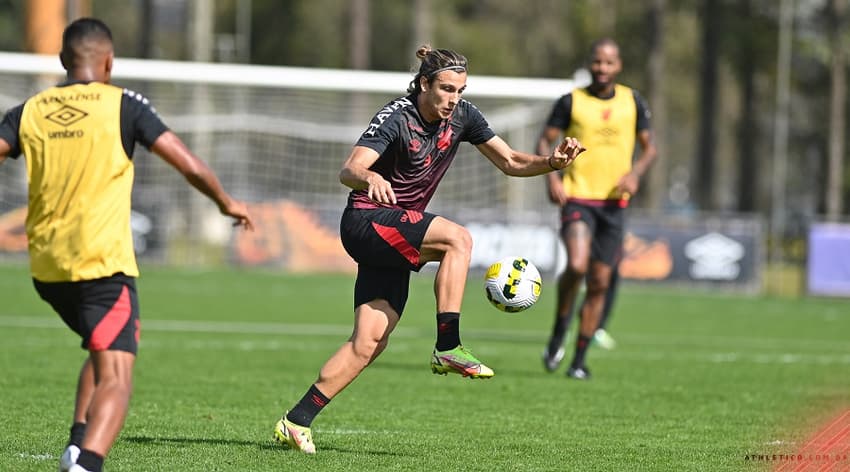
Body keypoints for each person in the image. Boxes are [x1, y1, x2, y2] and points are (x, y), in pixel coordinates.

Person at [273, 45, 586, 454]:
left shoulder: (464, 117)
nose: (453, 99)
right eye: (446, 89)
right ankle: (448, 345)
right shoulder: (396, 116)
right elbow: (349, 168)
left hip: (393, 234)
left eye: (460, 90)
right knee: (459, 239)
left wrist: (551, 162)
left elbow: (509, 161)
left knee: (368, 342)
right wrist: (368, 178)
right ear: (424, 84)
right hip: (367, 222)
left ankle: (296, 420)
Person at [0, 18, 253, 472]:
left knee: (101, 347)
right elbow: (188, 163)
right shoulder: (123, 105)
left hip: (47, 269)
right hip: (101, 262)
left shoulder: (30, 110)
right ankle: (87, 464)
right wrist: (225, 201)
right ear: (109, 62)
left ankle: (76, 444)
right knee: (118, 372)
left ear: (62, 62)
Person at [540, 38, 656, 380]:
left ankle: (578, 360)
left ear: (618, 66)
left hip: (614, 203)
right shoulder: (571, 101)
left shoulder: (633, 101)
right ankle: (560, 328)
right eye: (597, 62)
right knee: (576, 265)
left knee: (601, 282)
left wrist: (635, 173)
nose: (602, 68)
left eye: (609, 63)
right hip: (577, 197)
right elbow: (544, 139)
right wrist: (551, 177)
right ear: (590, 64)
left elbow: (651, 149)